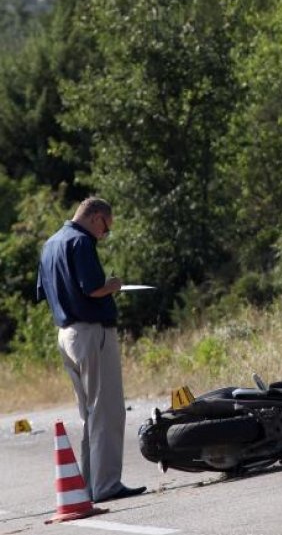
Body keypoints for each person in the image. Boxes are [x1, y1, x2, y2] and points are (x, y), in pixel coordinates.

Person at [36, 197, 146, 503]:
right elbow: (91, 286)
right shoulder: (81, 242)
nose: (104, 235)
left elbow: (44, 291)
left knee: (87, 413)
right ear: (96, 217)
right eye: (106, 229)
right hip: (91, 332)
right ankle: (107, 485)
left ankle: (86, 485)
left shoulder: (50, 245)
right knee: (107, 410)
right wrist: (113, 285)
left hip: (65, 334)